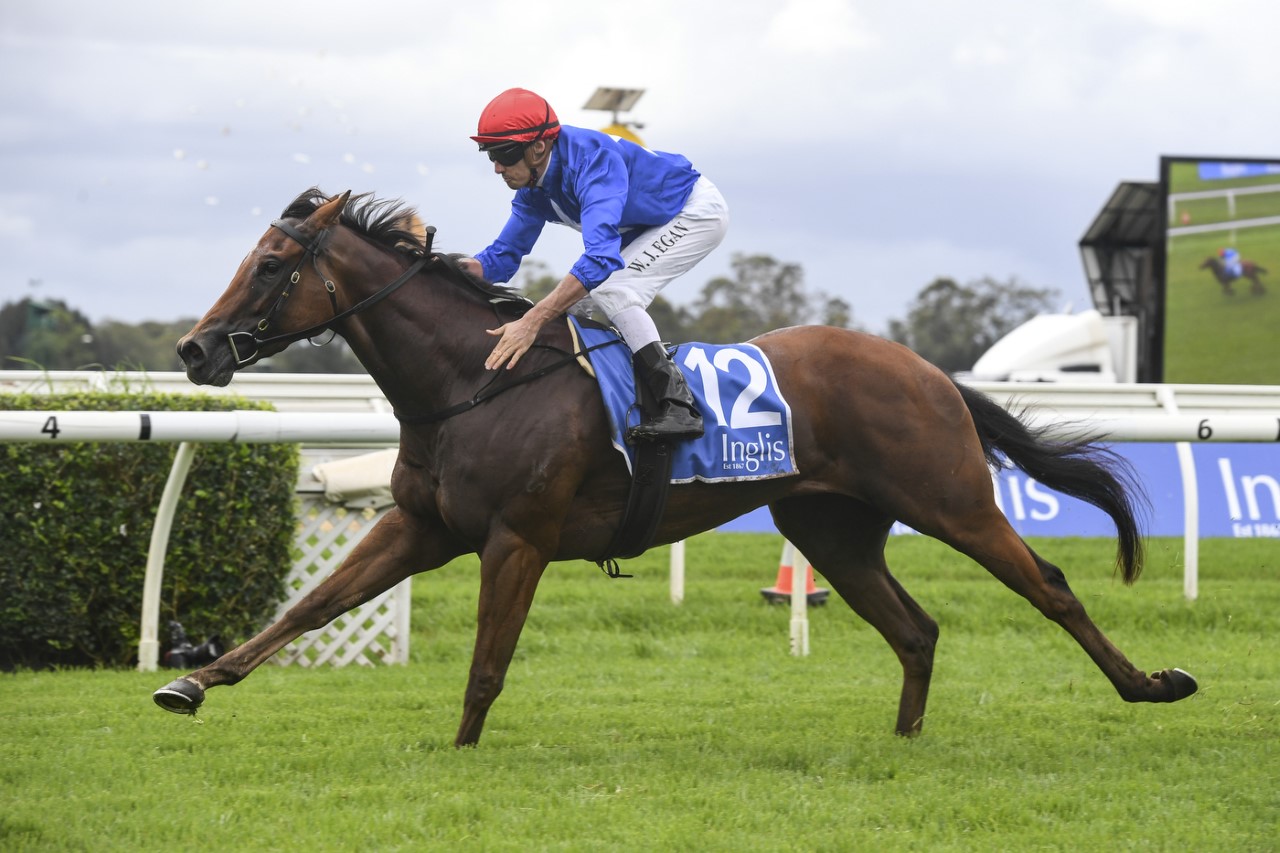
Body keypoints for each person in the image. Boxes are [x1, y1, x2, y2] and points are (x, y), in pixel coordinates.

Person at [457, 87, 729, 442]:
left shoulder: (591, 160)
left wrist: (532, 320)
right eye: (490, 154)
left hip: (693, 212)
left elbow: (601, 257)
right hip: (644, 226)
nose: (497, 167)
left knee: (614, 290)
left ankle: (678, 405)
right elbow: (503, 258)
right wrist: (449, 267)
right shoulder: (531, 189)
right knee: (576, 306)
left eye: (503, 154)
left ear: (538, 147)